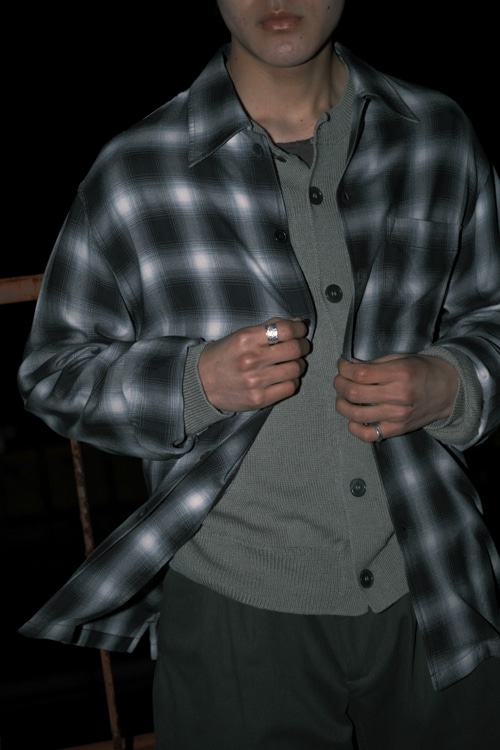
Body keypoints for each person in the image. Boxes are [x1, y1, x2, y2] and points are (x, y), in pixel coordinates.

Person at [18, 1, 499, 748]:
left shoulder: (437, 133)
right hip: (234, 618)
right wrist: (192, 383)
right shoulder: (135, 169)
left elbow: (488, 313)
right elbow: (52, 372)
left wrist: (453, 383)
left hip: (437, 586)